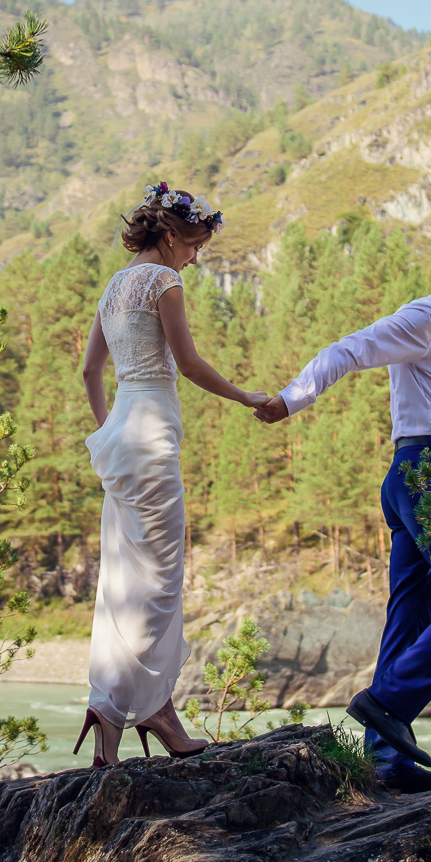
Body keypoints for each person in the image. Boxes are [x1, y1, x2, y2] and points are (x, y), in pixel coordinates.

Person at [253, 237, 431, 792]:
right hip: (429, 477)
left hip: (412, 477)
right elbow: (349, 349)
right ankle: (388, 701)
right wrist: (291, 398)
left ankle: (384, 765)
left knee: (412, 617)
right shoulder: (423, 318)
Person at [75, 182, 269, 766]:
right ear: (169, 235)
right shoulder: (163, 281)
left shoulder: (113, 288)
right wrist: (244, 397)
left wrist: (112, 428)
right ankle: (145, 710)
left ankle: (112, 721)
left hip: (122, 438)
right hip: (152, 435)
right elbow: (186, 364)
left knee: (121, 580)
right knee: (159, 581)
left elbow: (89, 371)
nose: (194, 257)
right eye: (192, 245)